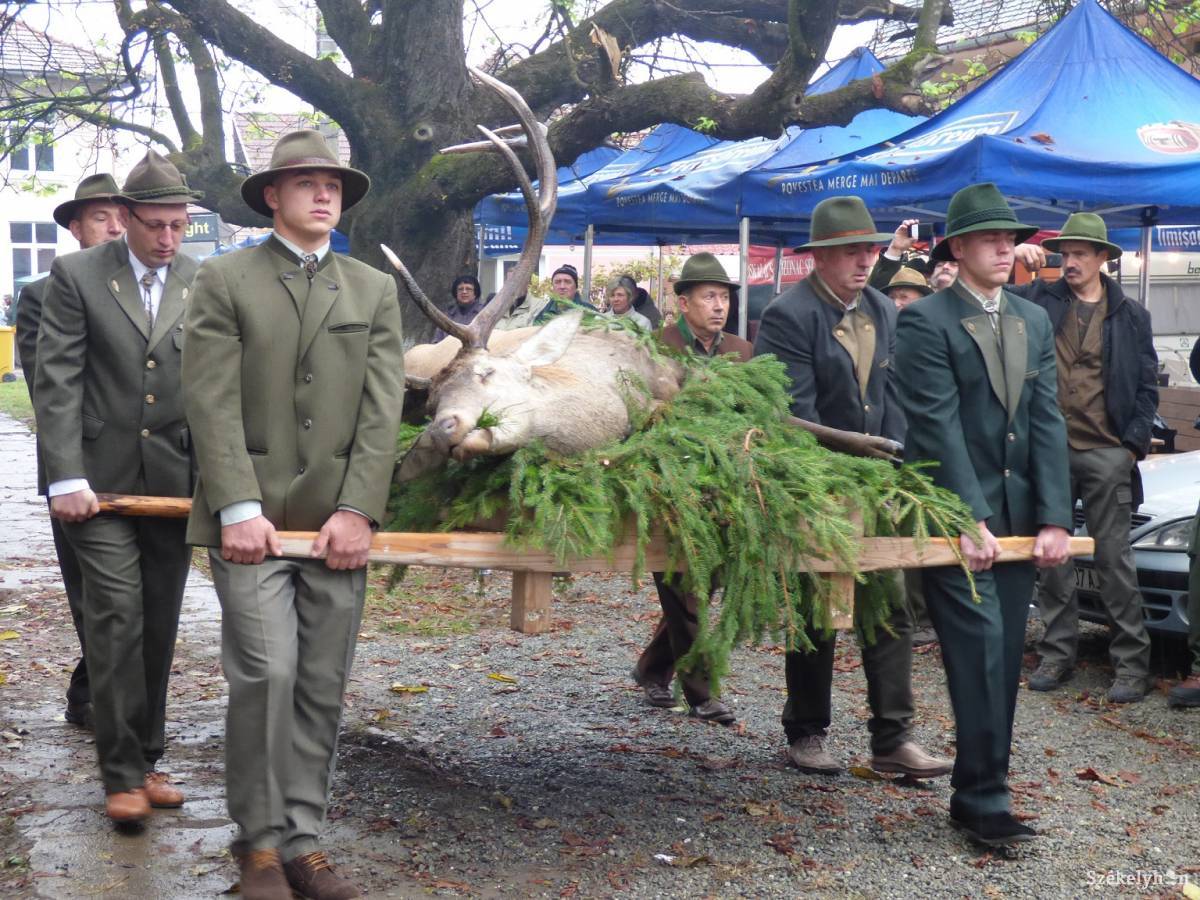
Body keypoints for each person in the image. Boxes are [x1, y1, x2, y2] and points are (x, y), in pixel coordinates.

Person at [183, 129, 404, 900]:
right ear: (271, 196)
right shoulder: (223, 279)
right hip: (252, 525)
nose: (323, 193)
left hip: (337, 527)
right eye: (306, 181)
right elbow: (208, 400)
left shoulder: (372, 289)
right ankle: (258, 848)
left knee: (320, 682)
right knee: (266, 673)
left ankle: (304, 842)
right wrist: (238, 506)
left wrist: (358, 510)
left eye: (333, 183)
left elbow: (383, 414)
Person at [894, 182, 1072, 847]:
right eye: (992, 238)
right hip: (954, 513)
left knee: (1002, 654)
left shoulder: (1031, 318)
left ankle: (980, 793)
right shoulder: (924, 320)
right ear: (959, 247)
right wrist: (967, 516)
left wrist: (1056, 513)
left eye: (1010, 238)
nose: (1007, 247)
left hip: (1021, 514)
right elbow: (934, 427)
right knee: (976, 648)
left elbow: (1048, 420)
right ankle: (984, 798)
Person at [753, 196, 952, 781]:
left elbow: (895, 399)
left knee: (888, 606)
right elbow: (789, 415)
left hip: (878, 479)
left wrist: (895, 463)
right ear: (819, 258)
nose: (864, 261)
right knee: (817, 608)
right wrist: (849, 459)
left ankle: (893, 739)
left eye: (868, 249)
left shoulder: (885, 311)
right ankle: (807, 731)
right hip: (816, 482)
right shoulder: (788, 314)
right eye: (849, 252)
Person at [32, 151, 202, 825]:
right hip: (94, 485)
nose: (166, 239)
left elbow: (215, 382)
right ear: (127, 218)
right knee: (114, 617)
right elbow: (58, 378)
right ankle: (121, 773)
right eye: (155, 225)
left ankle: (152, 758)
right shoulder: (77, 275)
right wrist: (65, 475)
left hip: (175, 484)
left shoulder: (199, 279)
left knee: (159, 622)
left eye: (178, 226)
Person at [1006, 214, 1158, 704]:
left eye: (1079, 254)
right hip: (1048, 450)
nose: (1069, 262)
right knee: (1051, 558)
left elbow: (1146, 387)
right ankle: (1057, 653)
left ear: (1101, 260)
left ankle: (1132, 664)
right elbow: (997, 311)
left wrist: (1129, 448)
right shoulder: (1040, 301)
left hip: (1105, 452)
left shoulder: (1132, 315)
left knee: (1114, 560)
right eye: (1064, 253)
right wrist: (1015, 263)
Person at [15, 172, 125, 730]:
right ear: (76, 228)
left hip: (151, 466)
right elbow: (48, 384)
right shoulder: (41, 295)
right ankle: (105, 701)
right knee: (93, 593)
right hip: (80, 465)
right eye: (100, 217)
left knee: (140, 598)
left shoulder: (152, 288)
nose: (114, 226)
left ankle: (91, 688)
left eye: (121, 215)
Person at [633, 252, 751, 725]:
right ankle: (701, 692)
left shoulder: (741, 351)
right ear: (683, 303)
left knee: (709, 580)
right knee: (684, 584)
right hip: (671, 480)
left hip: (724, 482)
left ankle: (651, 669)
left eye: (723, 297)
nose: (719, 306)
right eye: (709, 297)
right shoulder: (658, 347)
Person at [432, 275, 485, 341]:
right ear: (456, 293)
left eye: (468, 289)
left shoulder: (484, 313)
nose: (464, 292)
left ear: (475, 293)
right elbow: (436, 342)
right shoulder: (447, 316)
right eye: (460, 289)